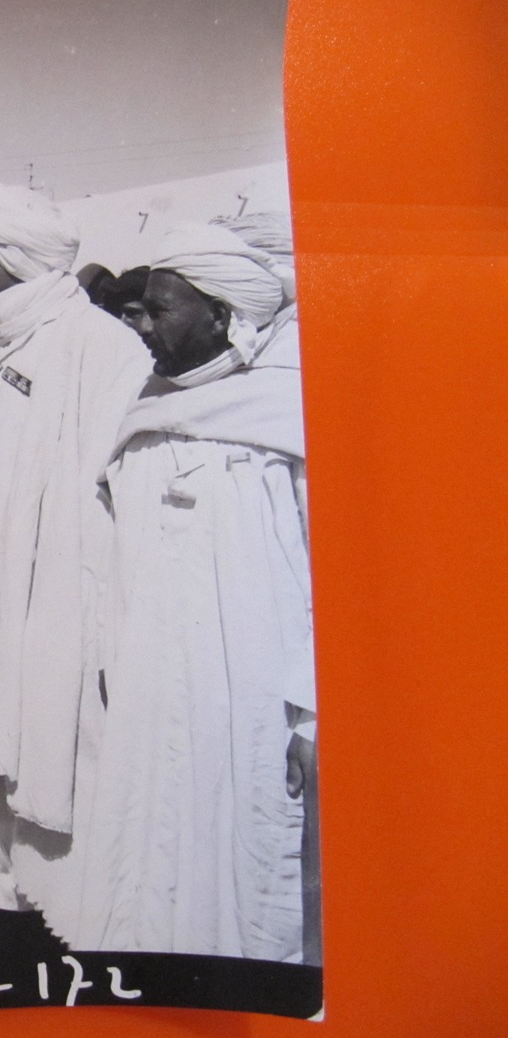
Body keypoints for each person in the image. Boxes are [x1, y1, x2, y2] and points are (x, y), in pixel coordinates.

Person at [0, 186, 151, 943]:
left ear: (11, 260)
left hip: (54, 599)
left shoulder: (98, 346)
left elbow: (115, 493)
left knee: (54, 748)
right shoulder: (10, 339)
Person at [70, 223, 314, 962]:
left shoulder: (285, 417)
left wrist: (309, 712)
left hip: (249, 694)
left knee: (242, 856)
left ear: (221, 315)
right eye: (140, 307)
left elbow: (328, 577)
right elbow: (113, 555)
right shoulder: (139, 413)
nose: (141, 323)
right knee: (147, 852)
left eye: (160, 308)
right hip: (148, 682)